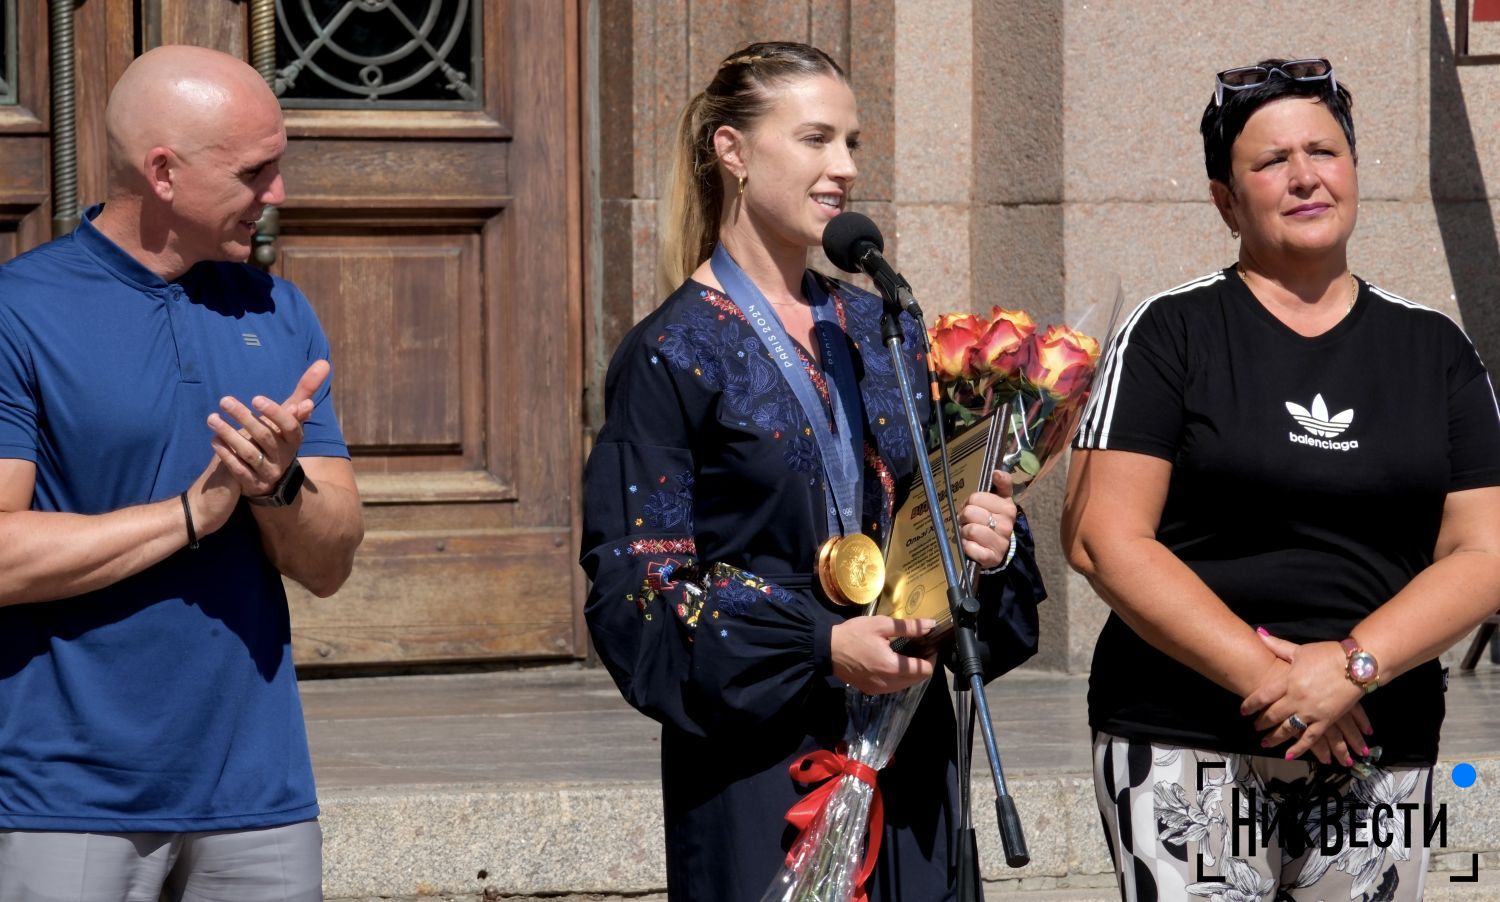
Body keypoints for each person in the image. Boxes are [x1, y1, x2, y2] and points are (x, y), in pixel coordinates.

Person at [580, 41, 1043, 902]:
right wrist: (820, 645)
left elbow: (928, 520)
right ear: (733, 151)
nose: (844, 169)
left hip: (907, 749)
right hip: (762, 759)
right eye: (817, 140)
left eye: (854, 143)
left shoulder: (883, 328)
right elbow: (637, 593)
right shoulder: (670, 354)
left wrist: (987, 543)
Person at [1063, 58, 1500, 901]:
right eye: (1270, 162)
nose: (1304, 177)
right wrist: (1283, 685)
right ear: (1227, 199)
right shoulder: (1170, 332)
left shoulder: (1435, 349)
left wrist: (1351, 667)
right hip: (1185, 737)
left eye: (1323, 152)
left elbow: (1485, 551)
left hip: (1378, 737)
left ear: (1355, 171)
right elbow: (1102, 539)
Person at [0, 45, 364, 901]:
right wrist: (195, 513)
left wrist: (278, 489)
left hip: (260, 798)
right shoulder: (21, 311)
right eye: (254, 172)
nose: (279, 194)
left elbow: (331, 561)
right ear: (163, 173)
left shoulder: (277, 309)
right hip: (68, 800)